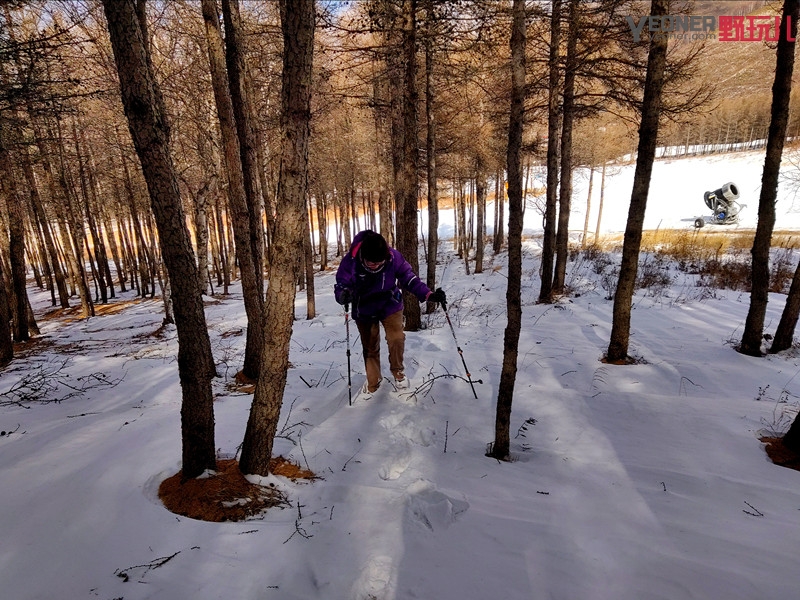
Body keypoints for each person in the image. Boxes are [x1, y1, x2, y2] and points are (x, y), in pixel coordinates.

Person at [335, 230, 446, 395]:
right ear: (363, 257)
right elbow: (341, 283)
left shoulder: (393, 257)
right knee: (370, 347)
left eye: (379, 263)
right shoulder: (351, 261)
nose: (376, 266)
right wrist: (343, 294)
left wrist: (428, 294)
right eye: (371, 263)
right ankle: (374, 383)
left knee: (396, 338)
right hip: (364, 307)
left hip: (390, 303)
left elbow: (409, 278)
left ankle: (398, 373)